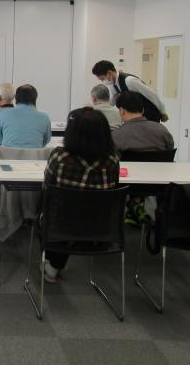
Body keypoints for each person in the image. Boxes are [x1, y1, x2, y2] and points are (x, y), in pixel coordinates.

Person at [42, 107, 120, 283]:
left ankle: (53, 265)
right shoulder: (112, 160)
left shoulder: (60, 157)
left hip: (61, 226)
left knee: (50, 207)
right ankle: (55, 265)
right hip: (101, 228)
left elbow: (47, 188)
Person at [112, 92, 175, 226]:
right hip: (160, 184)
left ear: (121, 111)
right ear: (142, 110)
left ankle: (133, 204)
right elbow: (169, 149)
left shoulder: (117, 136)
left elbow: (113, 159)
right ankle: (138, 205)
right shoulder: (162, 130)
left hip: (127, 185)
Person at [91, 60, 168, 123]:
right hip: (138, 116)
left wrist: (163, 112)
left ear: (109, 73)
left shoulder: (129, 81)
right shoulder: (112, 84)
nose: (103, 81)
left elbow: (152, 95)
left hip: (150, 114)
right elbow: (112, 101)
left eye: (102, 79)